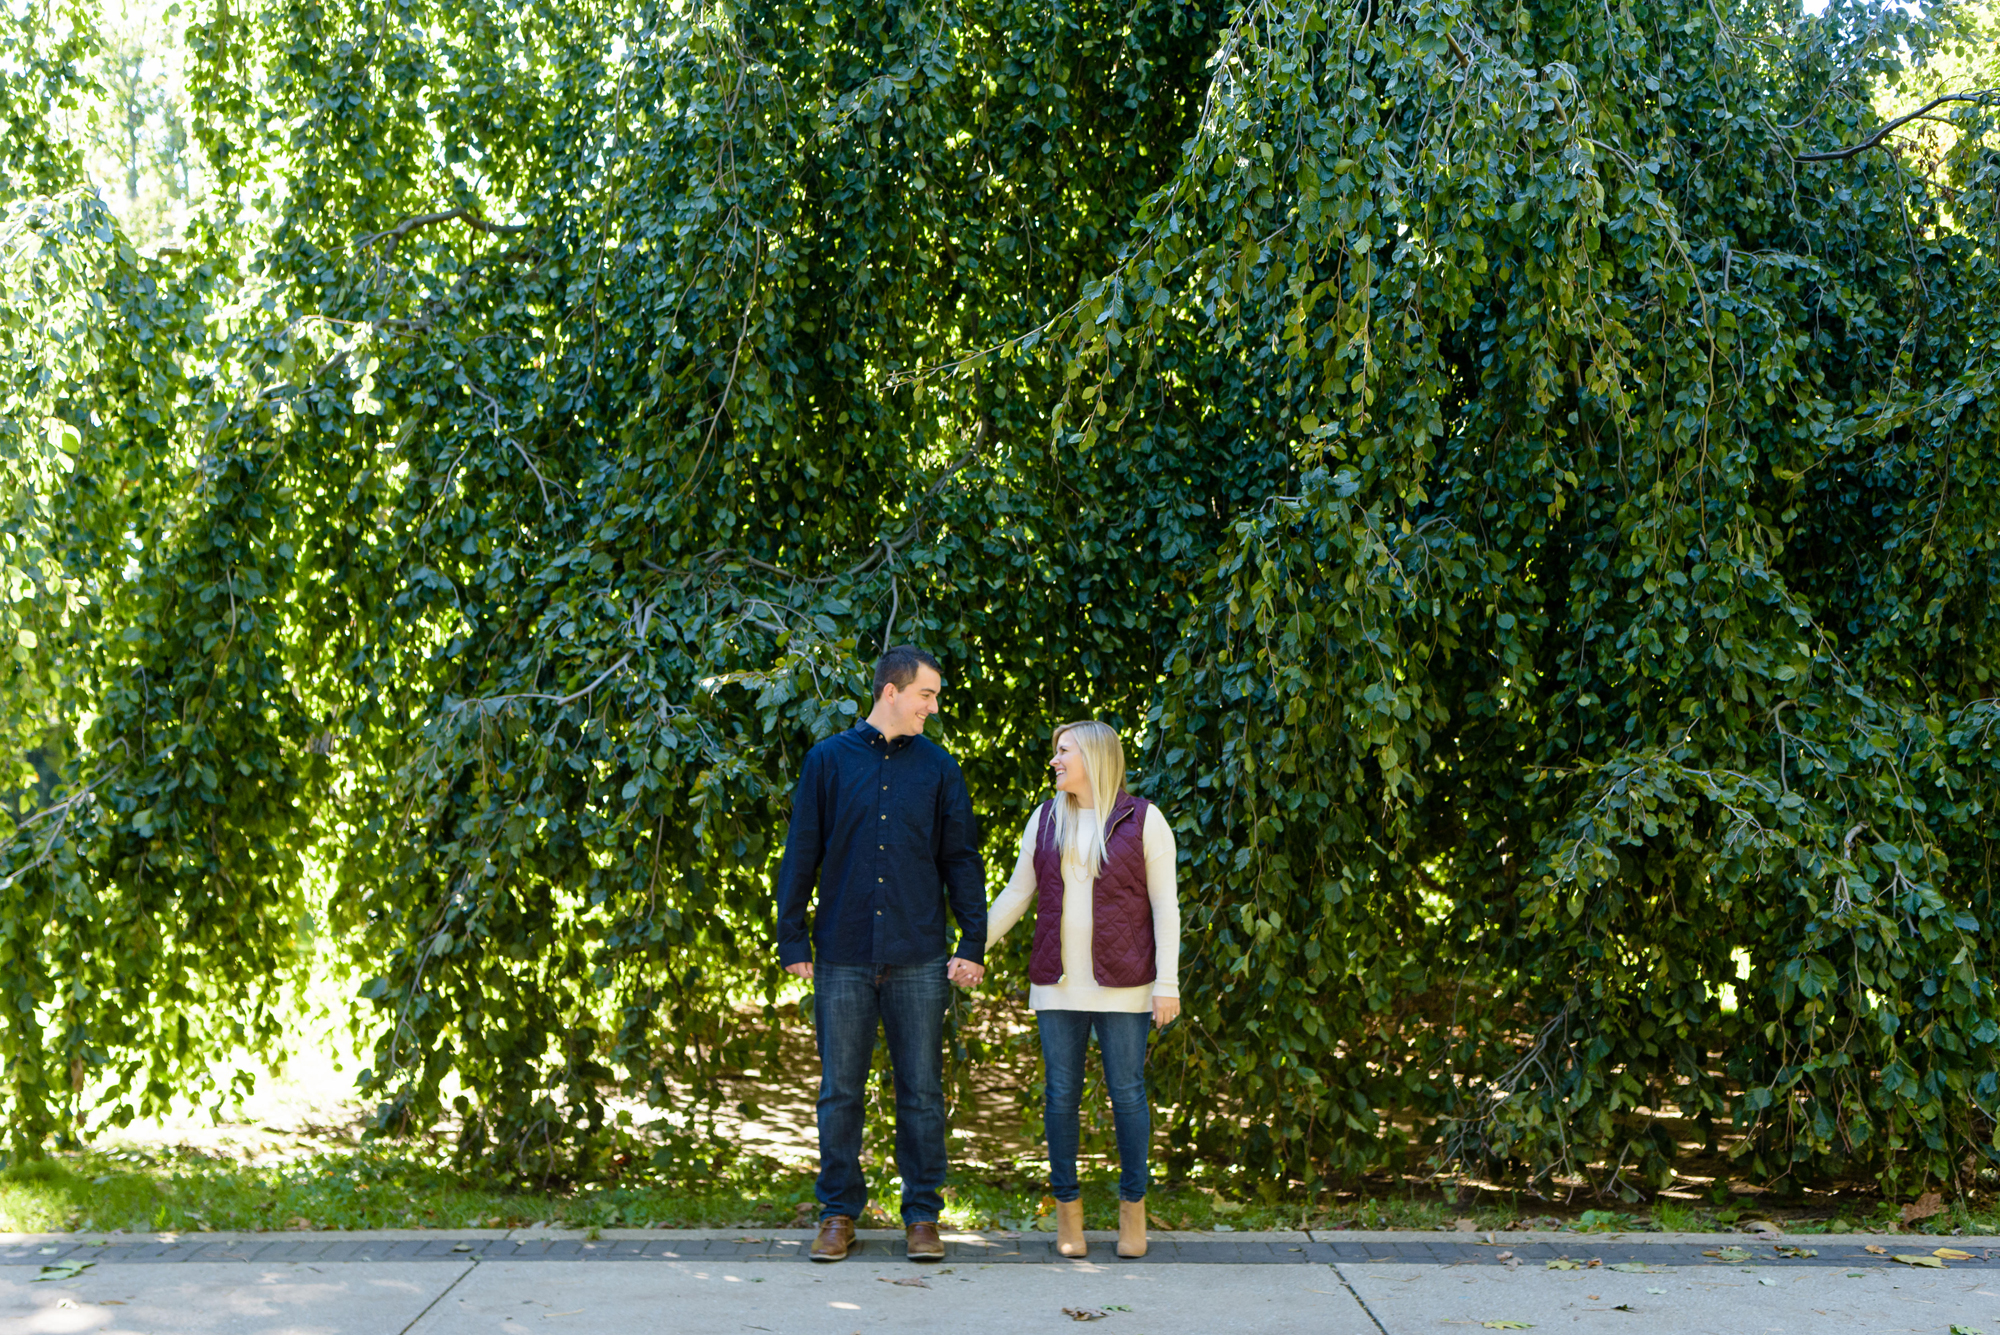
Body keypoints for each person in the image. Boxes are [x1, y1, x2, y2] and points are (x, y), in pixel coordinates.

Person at [774, 645, 987, 1263]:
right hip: (840, 952)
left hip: (919, 954)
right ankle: (838, 1212)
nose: (934, 707)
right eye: (928, 695)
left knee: (920, 1090)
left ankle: (922, 1216)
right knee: (840, 1090)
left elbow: (960, 860)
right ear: (891, 691)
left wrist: (970, 941)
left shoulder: (940, 768)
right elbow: (802, 851)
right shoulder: (827, 762)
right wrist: (792, 937)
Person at [983, 720, 1180, 1260]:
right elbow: (1016, 893)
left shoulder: (1145, 820)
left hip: (1126, 987)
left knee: (1128, 1094)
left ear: (1092, 755)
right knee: (1061, 1097)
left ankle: (1132, 1211)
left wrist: (1168, 984)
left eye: (1063, 751)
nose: (1055, 760)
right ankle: (1068, 1212)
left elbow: (1166, 906)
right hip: (1058, 985)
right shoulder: (1045, 819)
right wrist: (971, 947)